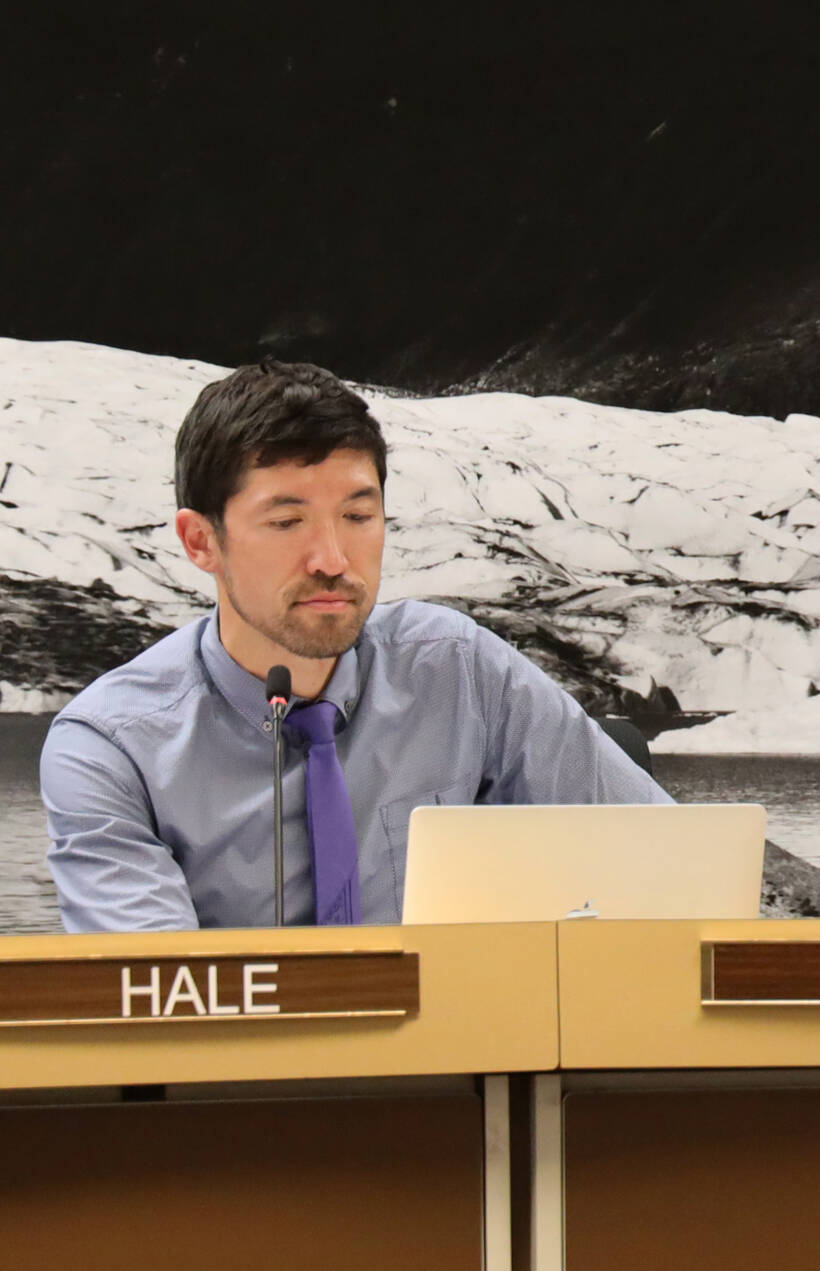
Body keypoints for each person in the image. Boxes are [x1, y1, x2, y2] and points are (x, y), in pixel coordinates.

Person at [41, 360, 668, 932]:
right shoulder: (111, 750)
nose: (333, 559)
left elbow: (666, 870)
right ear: (201, 541)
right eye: (287, 522)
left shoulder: (459, 669)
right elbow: (160, 999)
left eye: (358, 517)